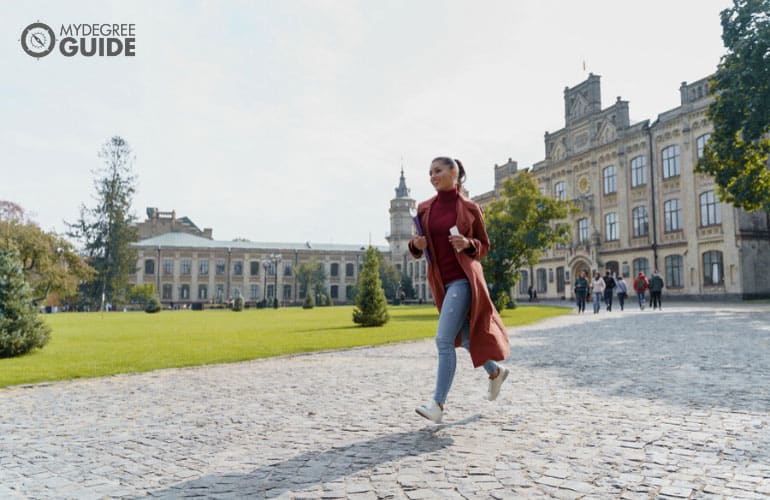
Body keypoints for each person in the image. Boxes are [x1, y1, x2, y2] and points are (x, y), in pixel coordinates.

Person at [409, 157, 511, 424]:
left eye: (438, 171)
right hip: (441, 284)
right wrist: (416, 245)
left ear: (454, 173)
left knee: (444, 340)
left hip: (464, 281)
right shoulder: (423, 209)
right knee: (465, 338)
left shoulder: (470, 208)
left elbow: (484, 246)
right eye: (430, 172)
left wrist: (468, 243)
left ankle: (437, 404)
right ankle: (495, 372)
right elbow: (418, 247)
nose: (433, 176)